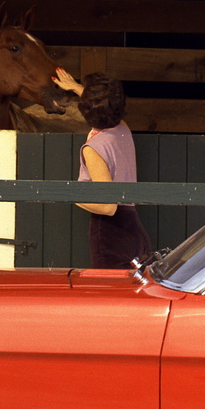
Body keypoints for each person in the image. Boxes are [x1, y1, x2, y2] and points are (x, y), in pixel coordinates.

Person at [69, 73, 152, 269]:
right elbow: (108, 106)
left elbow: (108, 207)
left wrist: (72, 196)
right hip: (134, 229)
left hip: (111, 235)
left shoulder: (93, 148)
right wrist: (75, 87)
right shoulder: (123, 129)